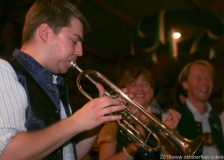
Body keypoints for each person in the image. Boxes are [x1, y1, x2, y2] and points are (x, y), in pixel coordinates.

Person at [0, 0, 126, 159]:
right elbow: (6, 153)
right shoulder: (4, 71)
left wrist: (99, 119)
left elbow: (68, 155)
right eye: (74, 41)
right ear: (45, 32)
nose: (80, 52)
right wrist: (77, 122)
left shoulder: (55, 85)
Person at [97, 66, 181, 160]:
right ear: (124, 92)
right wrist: (133, 147)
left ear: (151, 91)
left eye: (144, 84)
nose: (140, 88)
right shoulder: (112, 121)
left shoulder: (164, 119)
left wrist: (166, 138)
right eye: (133, 84)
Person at [176, 60, 224, 159]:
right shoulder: (174, 118)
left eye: (208, 78)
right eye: (198, 78)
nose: (205, 82)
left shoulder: (217, 118)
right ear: (185, 84)